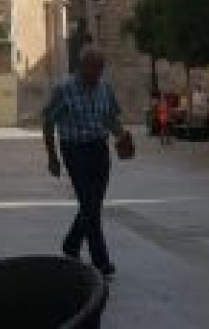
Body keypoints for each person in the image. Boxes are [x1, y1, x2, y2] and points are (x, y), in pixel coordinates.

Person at [42, 46, 130, 280]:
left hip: (99, 149)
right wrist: (52, 157)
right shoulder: (64, 90)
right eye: (95, 68)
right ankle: (101, 262)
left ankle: (71, 244)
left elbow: (111, 117)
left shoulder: (105, 88)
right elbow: (48, 122)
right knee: (90, 205)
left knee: (93, 204)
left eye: (101, 68)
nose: (99, 73)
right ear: (82, 66)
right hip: (74, 150)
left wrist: (122, 136)